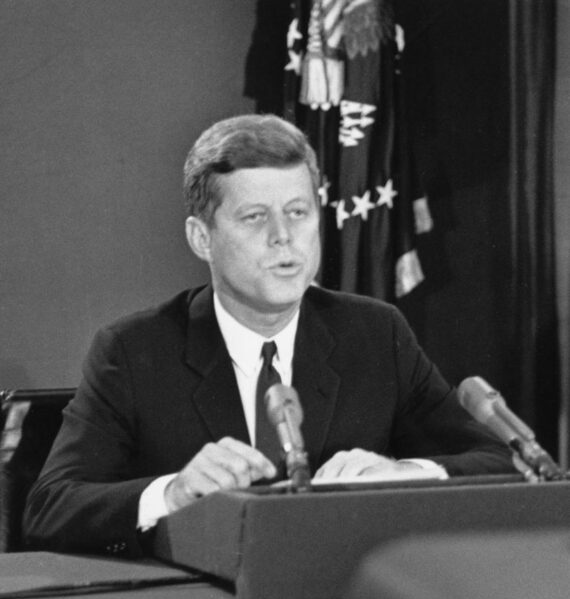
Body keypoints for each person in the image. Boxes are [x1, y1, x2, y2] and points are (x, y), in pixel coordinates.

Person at [23, 114, 513, 557]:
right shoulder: (133, 351)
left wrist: (407, 475)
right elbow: (49, 508)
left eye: (298, 212)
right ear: (201, 237)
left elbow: (499, 462)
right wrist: (172, 493)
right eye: (255, 217)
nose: (284, 236)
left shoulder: (374, 333)